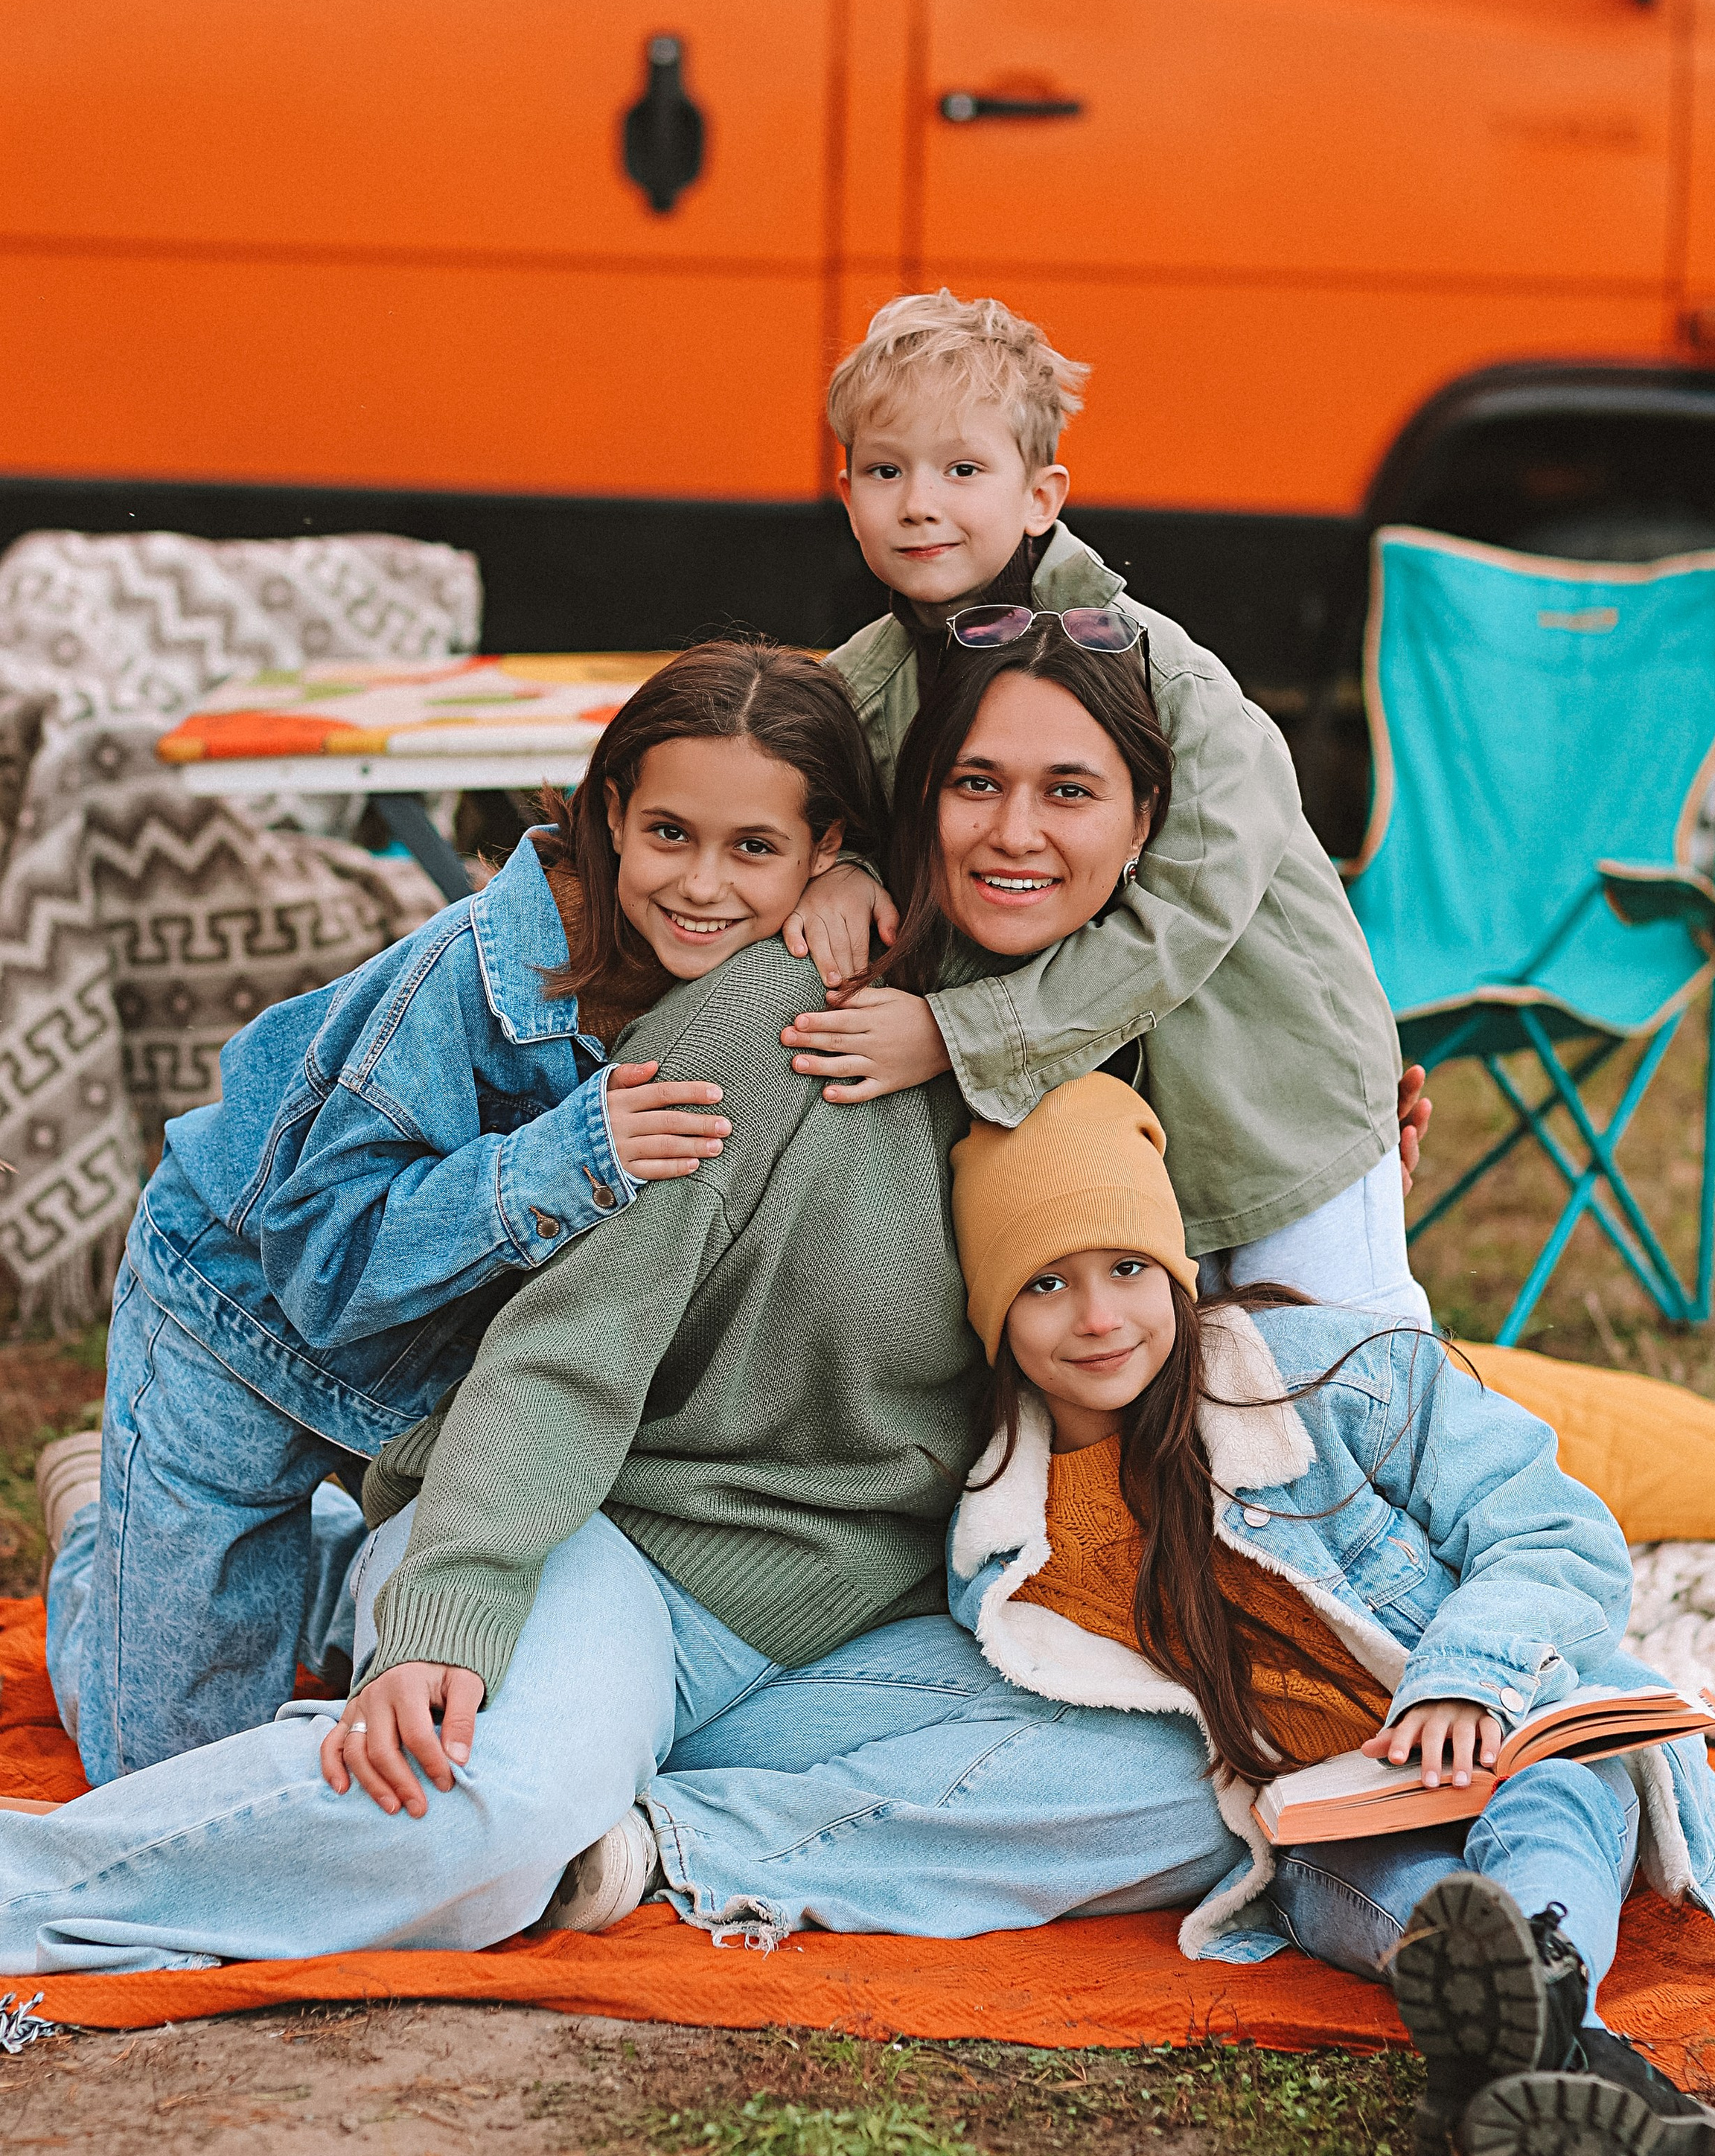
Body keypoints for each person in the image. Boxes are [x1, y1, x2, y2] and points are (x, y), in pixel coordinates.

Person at [0, 712, 1242, 1971]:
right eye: (981, 784)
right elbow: (564, 1352)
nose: (1019, 832)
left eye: (1068, 792)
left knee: (1195, 1773)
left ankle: (643, 1842)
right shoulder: (778, 1010)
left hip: (859, 1618)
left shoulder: (1137, 1053)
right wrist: (450, 1610)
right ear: (923, 803)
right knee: (464, 1804)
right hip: (611, 1545)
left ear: (1141, 824)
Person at [895, 1070, 1715, 2156]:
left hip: (1509, 1728)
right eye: (1046, 1283)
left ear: (1176, 1270)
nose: (1099, 1316)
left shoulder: (1325, 1371)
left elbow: (1554, 1527)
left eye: (1127, 1268)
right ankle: (1569, 2057)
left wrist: (1464, 1677)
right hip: (1328, 1823)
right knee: (1413, 1898)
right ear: (994, 1315)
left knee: (1564, 1794)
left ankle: (1534, 2030)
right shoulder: (1013, 1550)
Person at [37, 642, 873, 1782]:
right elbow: (328, 1262)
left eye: (756, 848)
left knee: (413, 1647)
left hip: (431, 1372)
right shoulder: (467, 977)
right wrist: (566, 1158)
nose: (703, 883)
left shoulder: (776, 943)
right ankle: (104, 1527)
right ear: (612, 813)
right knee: (159, 1768)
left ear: (822, 848)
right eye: (671, 833)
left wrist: (857, 882)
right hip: (240, 1328)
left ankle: (289, 1560)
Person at [778, 289, 1433, 1317]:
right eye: (885, 470)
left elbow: (1188, 911)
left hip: (1276, 1101)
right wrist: (846, 864)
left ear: (1041, 496)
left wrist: (954, 1036)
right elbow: (809, 807)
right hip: (1099, 1126)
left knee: (1343, 1372)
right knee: (1166, 1387)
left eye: (962, 470)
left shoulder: (1169, 681)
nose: (918, 503)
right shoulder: (863, 690)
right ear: (846, 490)